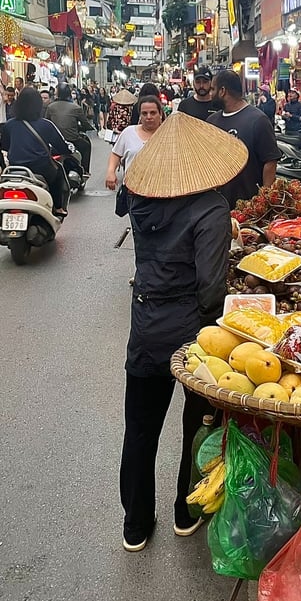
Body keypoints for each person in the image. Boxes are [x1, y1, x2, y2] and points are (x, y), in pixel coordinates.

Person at [119, 113, 248, 549]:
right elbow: (211, 288)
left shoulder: (140, 200)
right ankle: (185, 510)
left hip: (146, 323)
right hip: (192, 332)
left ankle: (135, 525)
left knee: (140, 428)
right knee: (197, 425)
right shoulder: (212, 207)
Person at [207, 70, 281, 208]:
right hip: (216, 207)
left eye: (213, 89)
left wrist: (263, 201)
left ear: (222, 91)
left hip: (247, 208)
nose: (210, 94)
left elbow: (270, 161)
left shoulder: (257, 120)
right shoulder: (212, 122)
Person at [0, 88, 71, 217]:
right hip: (41, 168)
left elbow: (4, 146)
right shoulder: (46, 125)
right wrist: (67, 151)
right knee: (58, 173)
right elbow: (61, 146)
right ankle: (58, 207)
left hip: (15, 168)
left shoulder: (9, 125)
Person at [106, 95, 165, 191]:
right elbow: (115, 154)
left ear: (160, 114)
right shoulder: (128, 133)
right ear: (140, 116)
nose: (148, 117)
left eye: (153, 113)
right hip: (132, 192)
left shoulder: (169, 135)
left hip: (161, 193)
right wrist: (110, 172)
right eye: (144, 113)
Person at [45, 83, 92, 175]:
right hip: (72, 139)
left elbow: (47, 122)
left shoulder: (51, 107)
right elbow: (85, 124)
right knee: (86, 146)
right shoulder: (76, 107)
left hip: (54, 141)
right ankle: (84, 171)